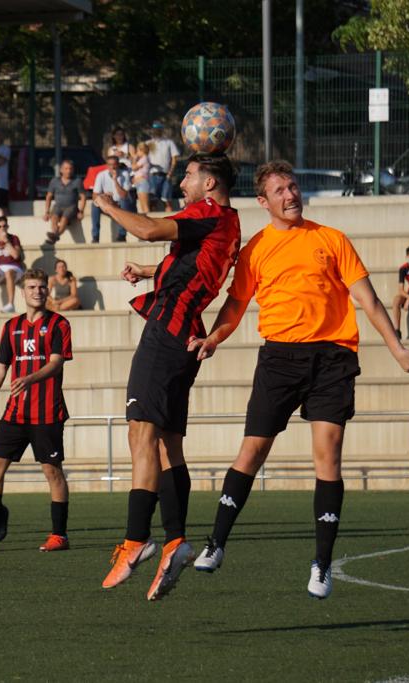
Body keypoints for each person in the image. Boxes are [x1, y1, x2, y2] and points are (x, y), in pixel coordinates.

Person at [188, 160, 409, 600]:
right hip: (279, 358)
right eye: (280, 190)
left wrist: (398, 349)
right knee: (252, 450)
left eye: (293, 187)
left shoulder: (331, 239)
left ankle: (322, 563)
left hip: (333, 357)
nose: (290, 195)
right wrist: (214, 337)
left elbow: (367, 300)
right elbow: (235, 306)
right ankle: (216, 543)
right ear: (263, 202)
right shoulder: (254, 250)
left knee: (327, 456)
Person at [95, 153, 240, 601]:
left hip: (168, 334)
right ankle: (176, 539)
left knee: (141, 433)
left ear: (210, 181)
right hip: (186, 336)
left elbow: (147, 228)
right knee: (167, 443)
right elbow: (193, 265)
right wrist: (148, 271)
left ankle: (136, 540)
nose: (183, 182)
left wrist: (107, 204)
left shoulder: (208, 211)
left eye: (190, 175)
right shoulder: (228, 223)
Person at [0, 269, 72, 552]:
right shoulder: (12, 326)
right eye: (32, 287)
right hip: (15, 413)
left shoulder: (59, 324)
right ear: (23, 291)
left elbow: (56, 362)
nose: (37, 292)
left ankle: (59, 535)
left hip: (47, 413)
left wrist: (30, 378)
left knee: (52, 472)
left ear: (47, 290)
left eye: (42, 287)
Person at [43, 160, 86, 245]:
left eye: (70, 169)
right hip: (58, 206)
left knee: (64, 219)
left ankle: (55, 236)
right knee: (54, 218)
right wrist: (47, 212)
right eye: (66, 169)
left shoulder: (77, 181)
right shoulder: (54, 181)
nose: (68, 171)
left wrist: (81, 211)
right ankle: (55, 236)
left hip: (71, 206)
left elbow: (83, 197)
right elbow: (49, 197)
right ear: (61, 170)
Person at [91, 156, 132, 243]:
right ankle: (95, 236)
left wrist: (115, 180)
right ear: (107, 165)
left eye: (114, 165)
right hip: (108, 203)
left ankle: (122, 235)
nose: (112, 167)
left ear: (118, 165)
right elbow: (94, 195)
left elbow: (124, 195)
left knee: (124, 202)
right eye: (110, 165)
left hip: (120, 203)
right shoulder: (101, 175)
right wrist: (104, 196)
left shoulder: (125, 174)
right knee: (94, 204)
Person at [146, 121, 181, 211]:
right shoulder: (148, 143)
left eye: (158, 130)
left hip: (166, 175)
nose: (156, 131)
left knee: (167, 201)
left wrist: (170, 173)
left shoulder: (169, 142)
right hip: (151, 175)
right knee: (152, 202)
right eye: (154, 130)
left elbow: (174, 158)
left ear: (162, 130)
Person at [133, 142, 152, 215]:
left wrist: (134, 159)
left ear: (142, 150)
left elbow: (134, 167)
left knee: (145, 206)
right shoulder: (142, 159)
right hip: (139, 183)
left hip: (143, 183)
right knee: (142, 206)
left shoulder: (144, 158)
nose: (137, 153)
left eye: (137, 151)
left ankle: (149, 224)